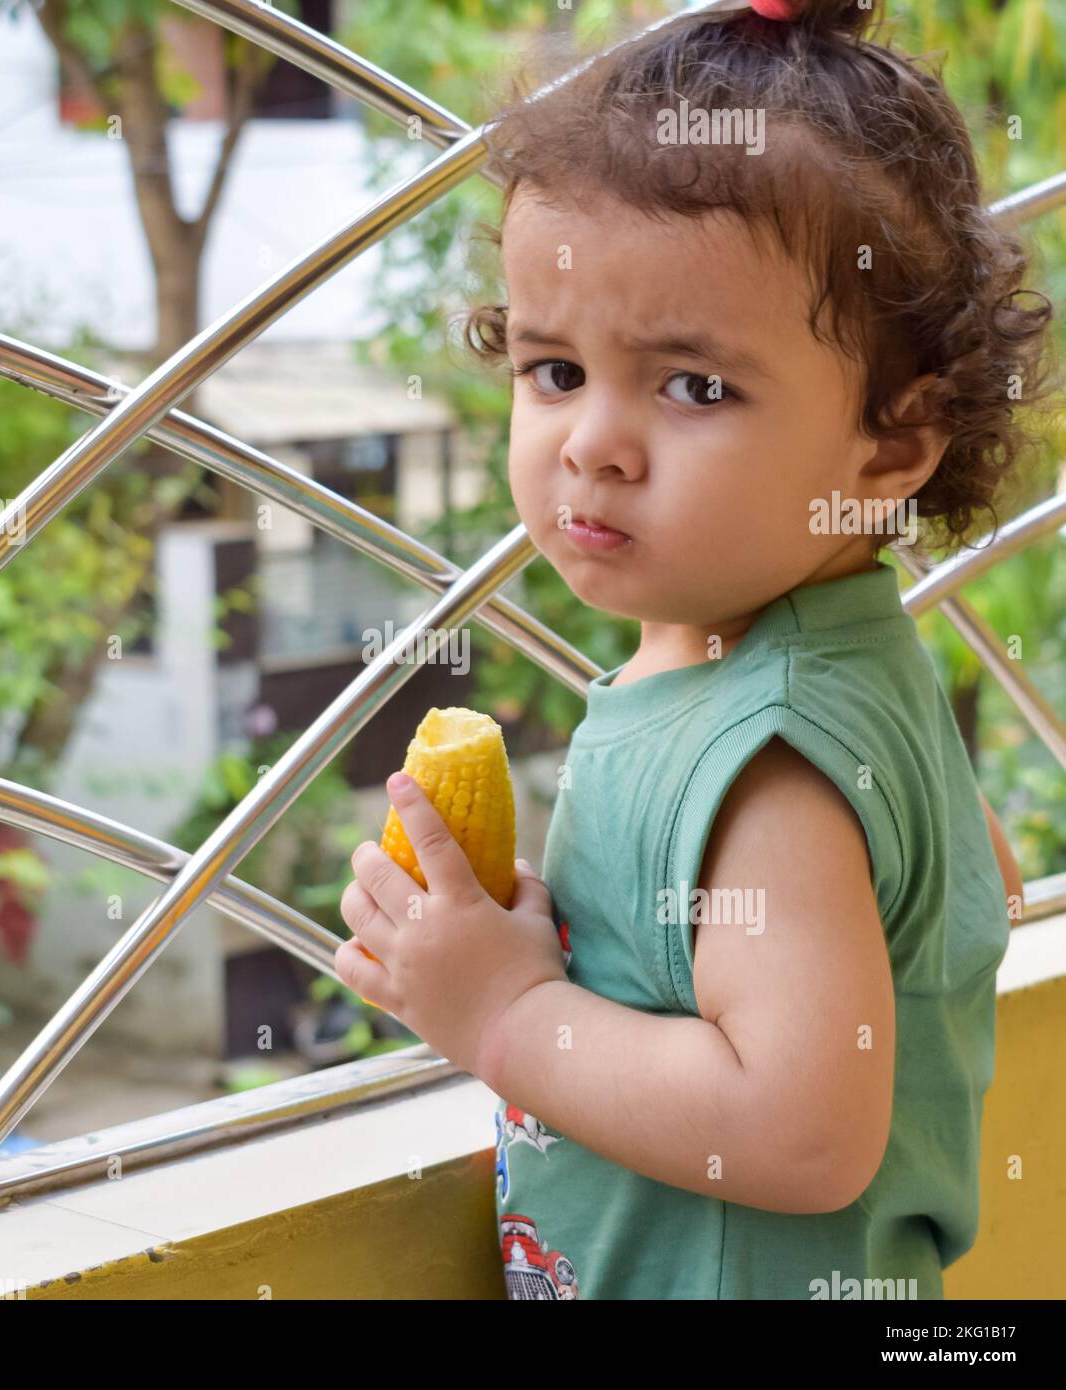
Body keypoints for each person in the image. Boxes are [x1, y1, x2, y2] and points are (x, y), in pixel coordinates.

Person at [336, 0, 1055, 1299]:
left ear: (891, 446)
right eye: (554, 370)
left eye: (695, 386)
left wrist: (506, 1011)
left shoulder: (770, 754)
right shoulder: (827, 664)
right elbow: (970, 888)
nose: (593, 442)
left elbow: (802, 1128)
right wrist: (599, 954)